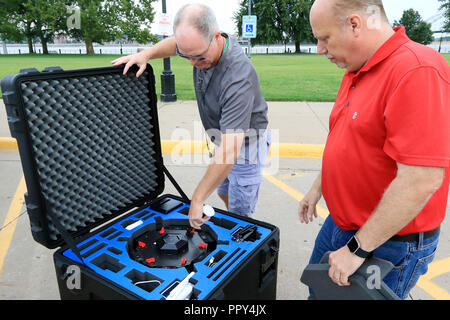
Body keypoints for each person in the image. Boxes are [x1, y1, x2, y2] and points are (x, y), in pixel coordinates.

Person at [299, 0, 449, 299]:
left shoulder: (417, 70)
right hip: (341, 224)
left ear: (355, 24)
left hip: (385, 241)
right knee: (318, 294)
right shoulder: (358, 68)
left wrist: (357, 248)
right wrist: (318, 187)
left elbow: (421, 179)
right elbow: (347, 139)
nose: (319, 49)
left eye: (324, 38)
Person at [112, 4, 271, 230]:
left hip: (246, 144)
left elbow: (230, 150)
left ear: (216, 37)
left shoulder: (238, 77)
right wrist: (144, 54)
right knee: (223, 189)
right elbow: (173, 45)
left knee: (241, 208)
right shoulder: (196, 44)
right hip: (222, 137)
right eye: (187, 56)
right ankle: (231, 220)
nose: (193, 63)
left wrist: (197, 199)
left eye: (198, 57)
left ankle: (243, 235)